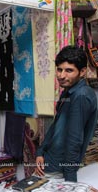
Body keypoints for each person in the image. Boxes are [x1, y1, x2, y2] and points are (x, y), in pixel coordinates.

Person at [35, 45, 97, 182]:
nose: (62, 76)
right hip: (48, 162)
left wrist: (70, 183)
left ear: (82, 72)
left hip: (58, 170)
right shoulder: (69, 91)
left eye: (69, 70)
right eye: (59, 69)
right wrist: (41, 152)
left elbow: (75, 140)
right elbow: (56, 126)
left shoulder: (81, 96)